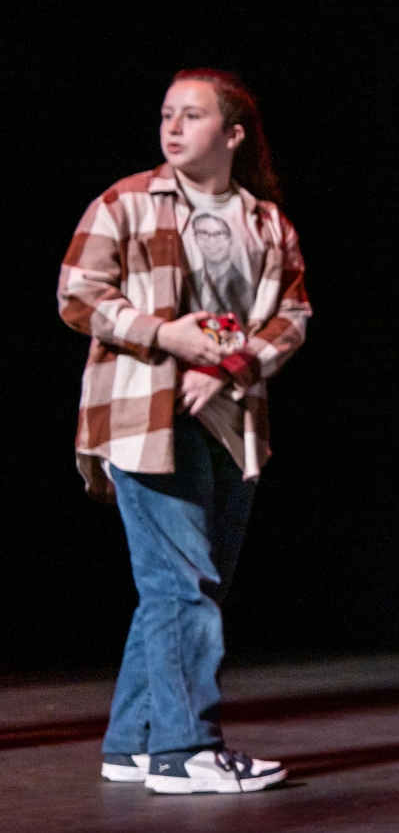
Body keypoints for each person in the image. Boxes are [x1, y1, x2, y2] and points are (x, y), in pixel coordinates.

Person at [59, 70, 310, 794]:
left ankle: (132, 741)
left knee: (186, 586)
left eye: (191, 116)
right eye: (167, 113)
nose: (172, 127)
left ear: (232, 134)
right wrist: (169, 336)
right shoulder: (127, 202)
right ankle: (184, 749)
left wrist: (227, 364)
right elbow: (77, 293)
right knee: (181, 583)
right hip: (142, 414)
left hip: (229, 418)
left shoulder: (265, 222)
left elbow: (290, 318)